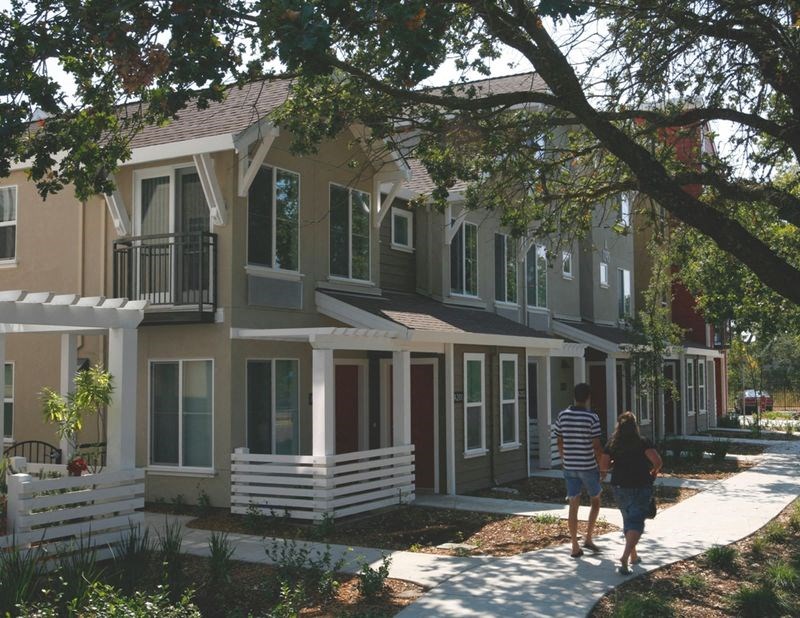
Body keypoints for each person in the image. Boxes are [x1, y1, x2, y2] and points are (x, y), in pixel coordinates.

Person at [599, 411, 663, 575]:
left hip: (620, 487)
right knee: (636, 523)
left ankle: (634, 556)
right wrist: (654, 471)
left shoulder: (613, 443)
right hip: (641, 485)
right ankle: (625, 557)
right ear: (635, 426)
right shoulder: (643, 442)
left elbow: (604, 466)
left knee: (628, 519)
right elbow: (657, 461)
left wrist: (613, 463)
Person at [554, 382, 603, 558]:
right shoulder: (592, 418)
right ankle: (588, 537)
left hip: (569, 466)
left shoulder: (562, 416)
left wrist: (563, 458)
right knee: (595, 499)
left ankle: (574, 545)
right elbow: (596, 446)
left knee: (573, 504)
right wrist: (601, 466)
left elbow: (559, 441)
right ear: (588, 398)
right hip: (588, 466)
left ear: (574, 397)